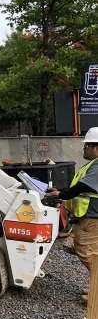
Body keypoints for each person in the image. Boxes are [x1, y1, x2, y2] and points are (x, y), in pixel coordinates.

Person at [46, 127, 98, 304]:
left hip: (93, 217)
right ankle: (95, 287)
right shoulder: (93, 165)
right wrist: (62, 192)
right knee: (91, 250)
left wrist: (61, 195)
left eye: (87, 146)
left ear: (96, 147)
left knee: (85, 249)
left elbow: (83, 187)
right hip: (90, 216)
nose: (84, 149)